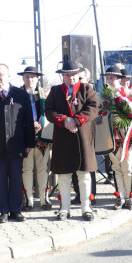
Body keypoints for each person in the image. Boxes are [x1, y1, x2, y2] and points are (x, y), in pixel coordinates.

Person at [0, 64, 35, 223]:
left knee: (16, 179)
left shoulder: (20, 94)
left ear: (8, 75)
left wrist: (29, 142)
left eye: (1, 75)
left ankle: (16, 210)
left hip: (16, 144)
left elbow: (28, 120)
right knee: (1, 180)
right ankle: (3, 211)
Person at [45, 61, 98, 221]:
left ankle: (86, 208)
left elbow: (93, 108)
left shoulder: (86, 89)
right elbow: (49, 111)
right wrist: (64, 120)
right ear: (63, 76)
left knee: (84, 175)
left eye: (74, 75)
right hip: (63, 139)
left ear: (78, 75)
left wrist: (76, 120)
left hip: (82, 138)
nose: (71, 78)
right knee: (64, 175)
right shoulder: (55, 91)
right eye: (67, 75)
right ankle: (65, 209)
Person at [104, 66, 132, 210]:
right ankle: (120, 196)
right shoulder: (103, 96)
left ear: (119, 79)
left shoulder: (127, 93)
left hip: (126, 137)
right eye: (107, 78)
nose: (109, 80)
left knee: (128, 167)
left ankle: (130, 196)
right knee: (116, 168)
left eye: (112, 78)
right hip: (111, 137)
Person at [18, 66, 52, 210]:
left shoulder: (45, 94)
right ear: (23, 78)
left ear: (38, 78)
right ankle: (29, 200)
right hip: (25, 136)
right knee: (26, 169)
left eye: (33, 77)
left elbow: (50, 113)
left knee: (43, 169)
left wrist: (40, 123)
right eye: (27, 76)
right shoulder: (18, 94)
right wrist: (28, 124)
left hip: (42, 135)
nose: (30, 79)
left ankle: (44, 199)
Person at [71, 67, 97, 206]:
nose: (78, 81)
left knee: (88, 163)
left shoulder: (89, 92)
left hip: (88, 131)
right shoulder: (72, 92)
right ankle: (78, 193)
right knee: (76, 161)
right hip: (73, 132)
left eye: (81, 78)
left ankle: (91, 194)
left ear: (87, 79)